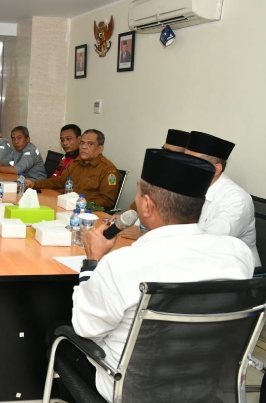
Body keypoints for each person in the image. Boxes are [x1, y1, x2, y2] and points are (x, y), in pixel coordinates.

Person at [62, 149, 253, 402]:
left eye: (139, 191)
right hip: (205, 384)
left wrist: (93, 262)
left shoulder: (123, 263)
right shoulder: (238, 254)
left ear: (147, 205)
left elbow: (86, 329)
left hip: (128, 389)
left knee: (59, 336)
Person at [184, 131, 259, 266]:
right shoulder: (188, 187)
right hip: (199, 264)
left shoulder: (237, 200)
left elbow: (206, 245)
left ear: (215, 169)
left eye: (191, 162)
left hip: (237, 277)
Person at [25, 129, 120, 209]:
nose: (84, 147)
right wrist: (35, 184)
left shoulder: (108, 170)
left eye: (90, 144)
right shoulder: (77, 163)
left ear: (100, 148)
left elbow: (107, 201)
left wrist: (81, 204)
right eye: (82, 143)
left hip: (88, 213)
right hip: (68, 207)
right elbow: (60, 181)